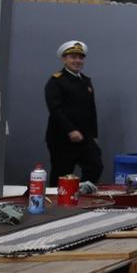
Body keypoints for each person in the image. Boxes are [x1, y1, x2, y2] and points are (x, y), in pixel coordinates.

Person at [44, 39, 102, 184]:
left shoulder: (86, 81)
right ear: (64, 59)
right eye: (73, 57)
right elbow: (55, 109)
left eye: (80, 57)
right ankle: (57, 203)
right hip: (62, 138)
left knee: (95, 166)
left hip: (85, 137)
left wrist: (94, 135)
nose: (77, 61)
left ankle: (82, 195)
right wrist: (70, 130)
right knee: (61, 173)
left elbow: (91, 110)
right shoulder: (56, 81)